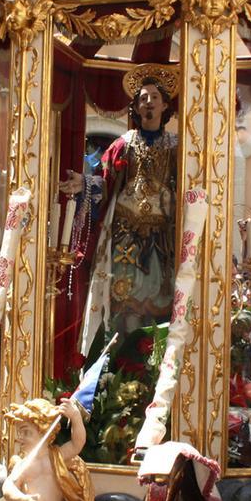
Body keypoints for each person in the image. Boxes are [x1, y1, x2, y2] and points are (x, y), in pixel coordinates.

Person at [59, 66, 179, 356]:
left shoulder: (178, 147)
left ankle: (154, 363)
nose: (148, 102)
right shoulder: (123, 145)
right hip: (126, 239)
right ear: (136, 107)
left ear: (165, 105)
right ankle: (121, 364)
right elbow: (107, 182)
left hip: (162, 241)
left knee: (161, 305)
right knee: (125, 306)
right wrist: (86, 183)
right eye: (142, 98)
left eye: (154, 97)